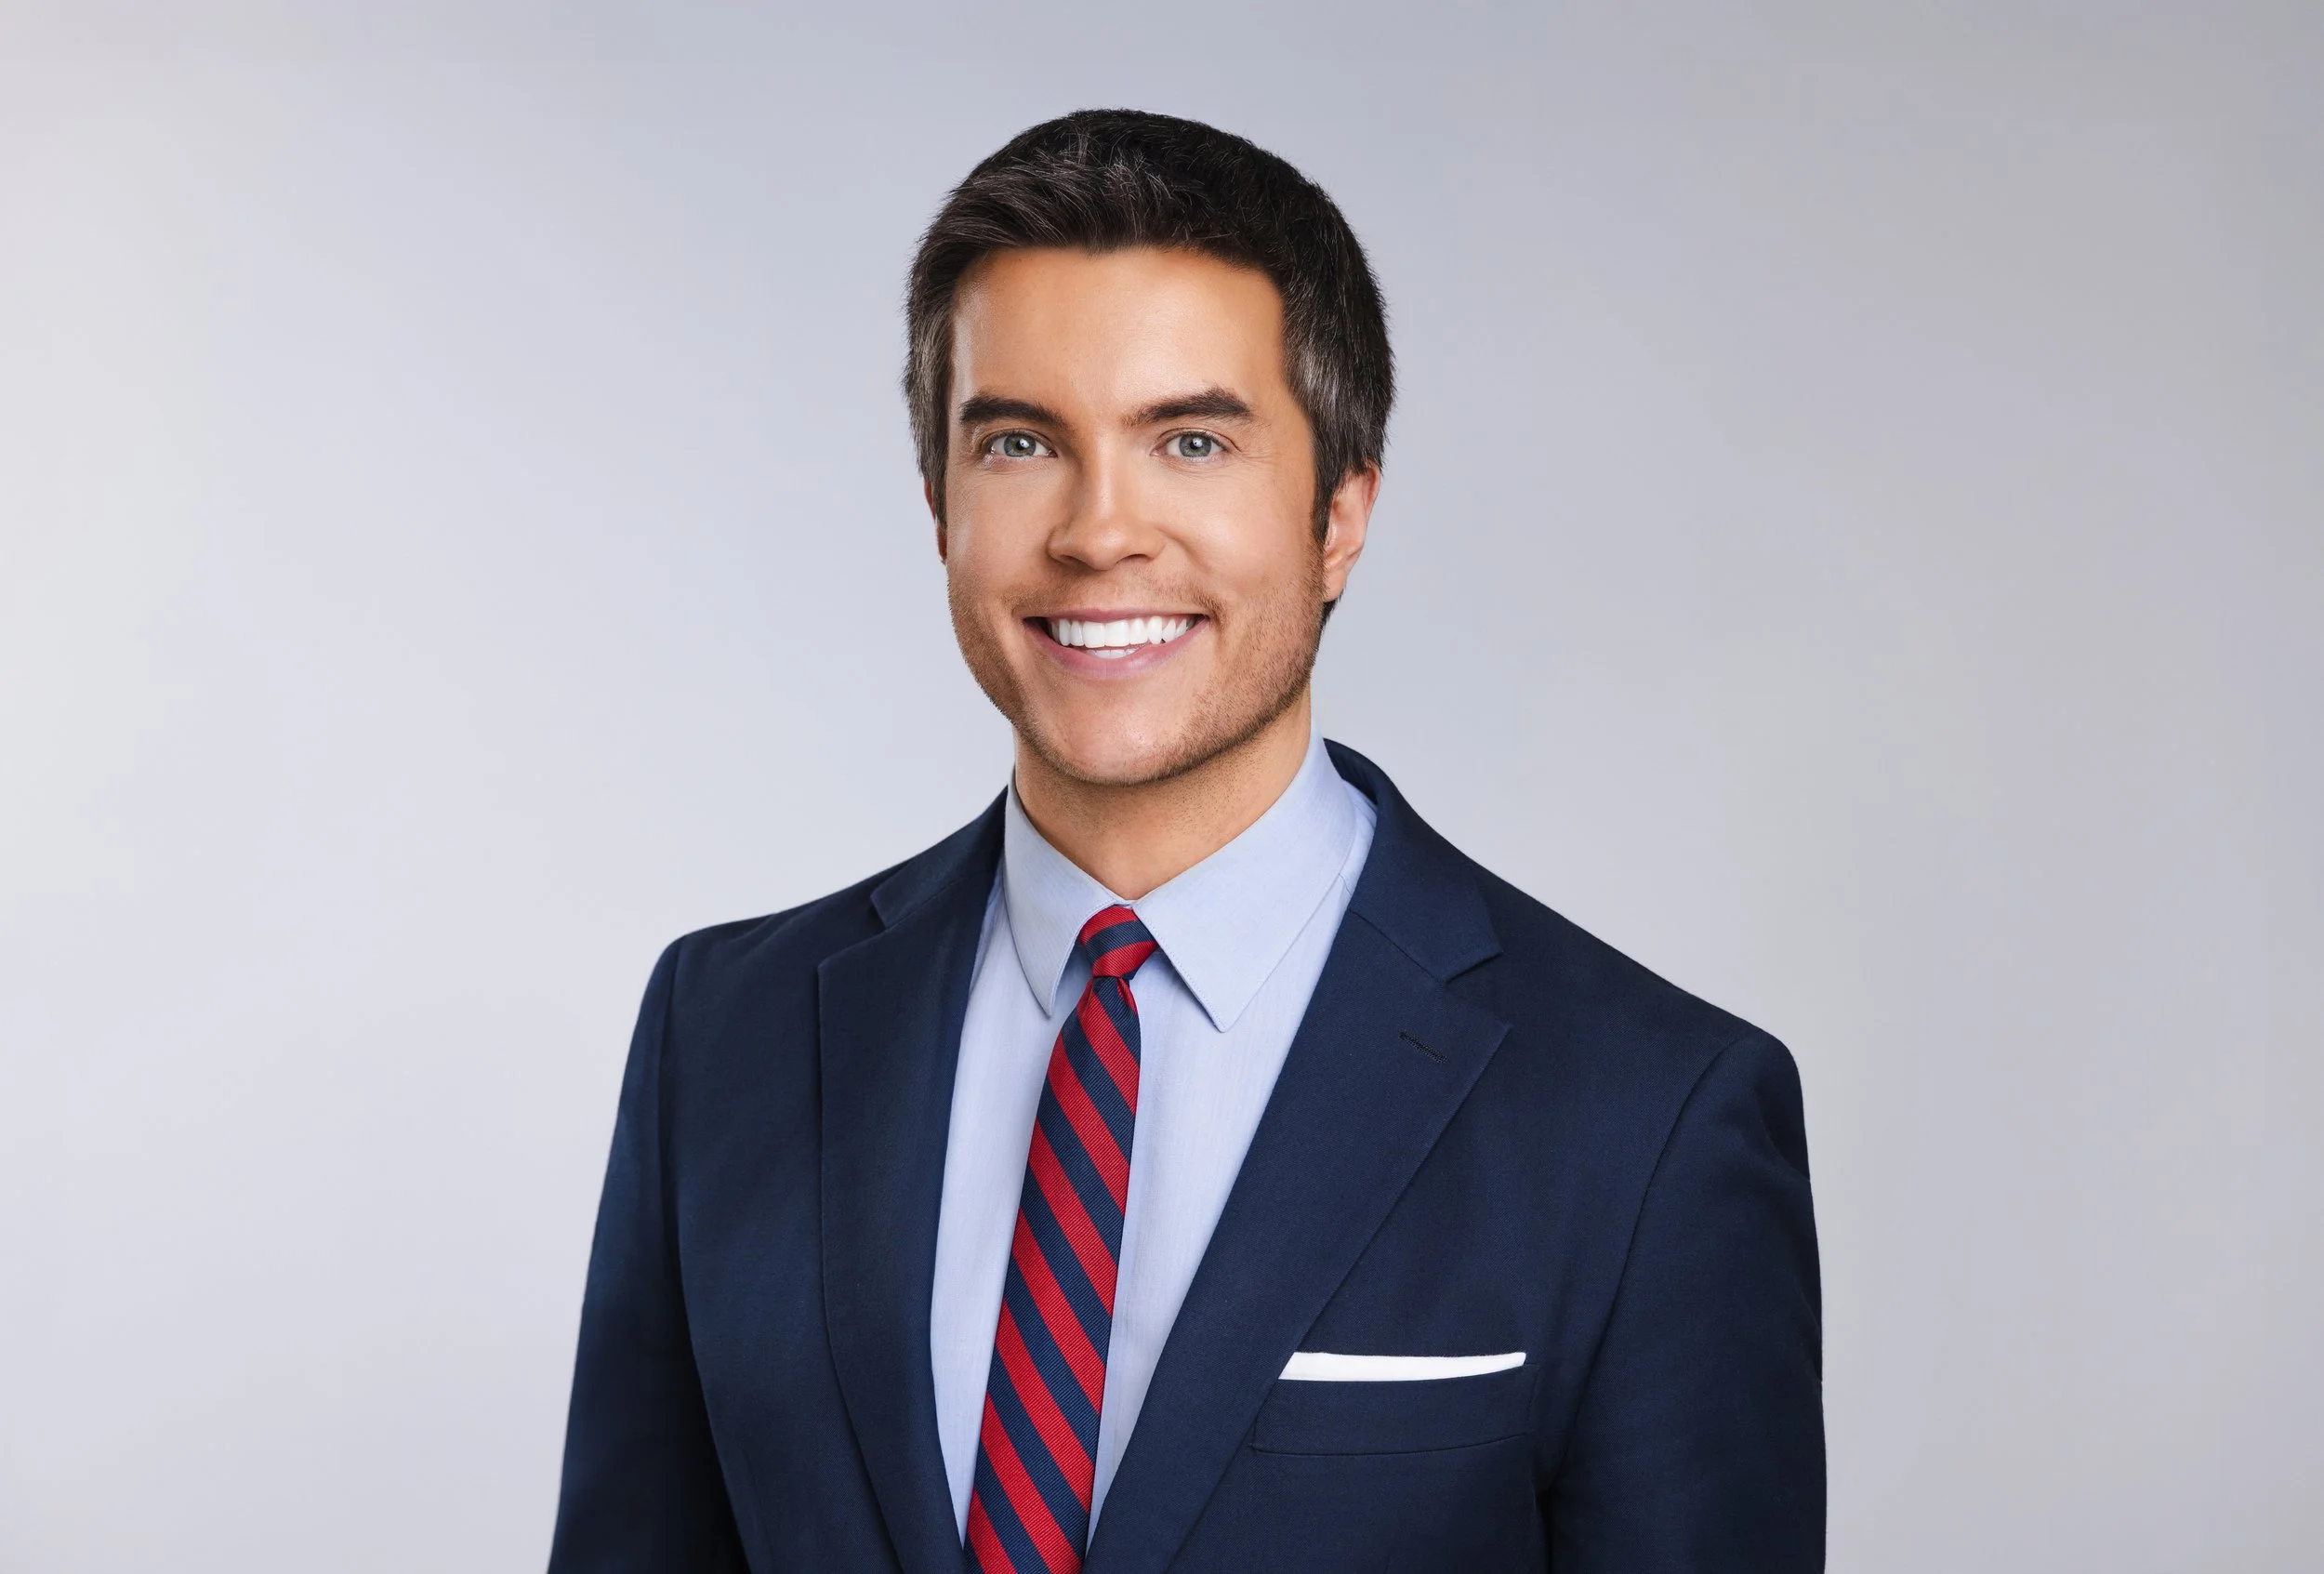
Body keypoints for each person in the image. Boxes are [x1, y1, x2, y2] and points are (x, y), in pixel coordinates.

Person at [547, 109, 1823, 1574]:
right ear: (940, 508)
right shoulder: (727, 1037)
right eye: (1021, 442)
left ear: (1339, 518)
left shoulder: (1646, 1114)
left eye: (1193, 441)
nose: (1101, 532)